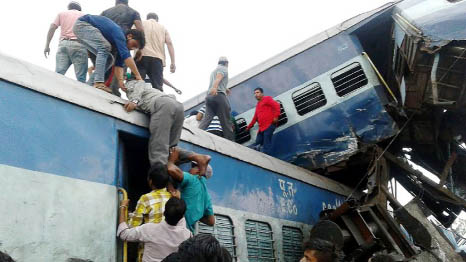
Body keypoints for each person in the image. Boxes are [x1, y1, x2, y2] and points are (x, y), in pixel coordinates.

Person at [122, 80, 210, 171]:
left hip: (164, 106)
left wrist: (134, 101)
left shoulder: (133, 84)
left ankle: (159, 183)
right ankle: (198, 157)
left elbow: (139, 85)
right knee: (171, 150)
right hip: (178, 107)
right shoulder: (153, 90)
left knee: (158, 150)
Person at [73, 15, 144, 93]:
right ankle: (98, 82)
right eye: (134, 45)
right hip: (83, 25)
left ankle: (89, 85)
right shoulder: (120, 34)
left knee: (110, 59)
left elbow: (118, 65)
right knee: (105, 47)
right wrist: (138, 75)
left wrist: (120, 82)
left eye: (135, 48)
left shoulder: (120, 45)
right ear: (129, 36)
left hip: (84, 30)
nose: (132, 48)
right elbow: (126, 56)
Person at [118, 197, 192, 262]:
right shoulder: (187, 235)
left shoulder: (149, 229)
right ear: (182, 216)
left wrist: (123, 207)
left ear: (164, 213)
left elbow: (123, 234)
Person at [159, 147, 215, 232]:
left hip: (177, 229)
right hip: (188, 233)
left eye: (193, 167)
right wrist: (194, 215)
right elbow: (211, 221)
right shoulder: (207, 195)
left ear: (198, 171)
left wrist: (171, 160)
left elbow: (170, 169)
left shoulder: (193, 179)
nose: (189, 169)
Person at [101, 0, 143, 95]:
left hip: (105, 42)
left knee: (104, 67)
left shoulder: (106, 11)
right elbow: (140, 30)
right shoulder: (133, 12)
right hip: (122, 42)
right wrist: (139, 49)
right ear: (127, 3)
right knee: (119, 66)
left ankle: (100, 88)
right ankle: (113, 92)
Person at [44, 1, 88, 83]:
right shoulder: (84, 15)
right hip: (79, 45)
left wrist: (47, 45)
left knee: (58, 75)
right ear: (79, 9)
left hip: (63, 45)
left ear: (69, 7)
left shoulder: (62, 14)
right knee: (81, 78)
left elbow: (52, 27)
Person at [135, 13, 176, 92]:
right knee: (158, 87)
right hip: (158, 59)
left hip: (141, 55)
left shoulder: (141, 23)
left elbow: (132, 36)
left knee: (137, 82)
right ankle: (158, 101)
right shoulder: (163, 28)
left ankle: (135, 101)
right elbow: (169, 43)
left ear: (147, 18)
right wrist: (173, 62)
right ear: (157, 19)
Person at [198, 57, 234, 141]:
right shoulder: (224, 68)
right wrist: (215, 88)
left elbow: (217, 80)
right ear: (226, 63)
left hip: (209, 97)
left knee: (207, 119)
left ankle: (196, 134)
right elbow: (219, 77)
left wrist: (225, 88)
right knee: (226, 120)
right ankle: (230, 142)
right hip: (218, 96)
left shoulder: (214, 71)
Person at [246, 87, 281, 155]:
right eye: (255, 93)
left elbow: (277, 105)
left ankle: (268, 160)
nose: (256, 94)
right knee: (257, 144)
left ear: (262, 93)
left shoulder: (267, 99)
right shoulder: (258, 105)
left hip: (269, 125)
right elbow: (255, 117)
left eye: (257, 92)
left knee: (266, 145)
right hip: (262, 128)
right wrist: (248, 127)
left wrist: (276, 116)